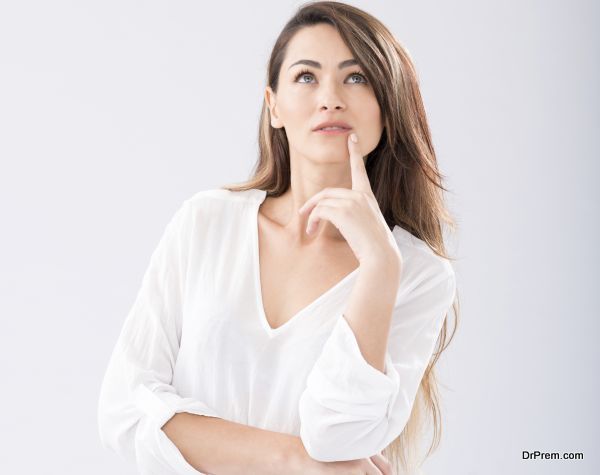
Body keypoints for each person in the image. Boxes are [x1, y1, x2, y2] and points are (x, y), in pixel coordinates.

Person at [97, 2, 460, 474]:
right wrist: (295, 460)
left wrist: (379, 268)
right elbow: (124, 409)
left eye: (357, 77)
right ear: (274, 106)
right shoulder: (206, 224)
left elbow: (338, 435)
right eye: (306, 77)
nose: (330, 97)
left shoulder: (417, 274)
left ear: (387, 110)